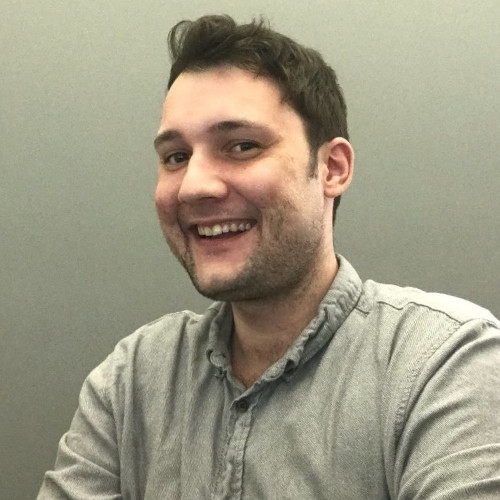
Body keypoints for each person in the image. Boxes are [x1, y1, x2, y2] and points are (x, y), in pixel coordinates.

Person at [38, 15, 500, 499]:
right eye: (176, 156)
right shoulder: (133, 381)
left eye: (242, 146)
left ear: (332, 168)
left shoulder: (443, 364)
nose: (194, 186)